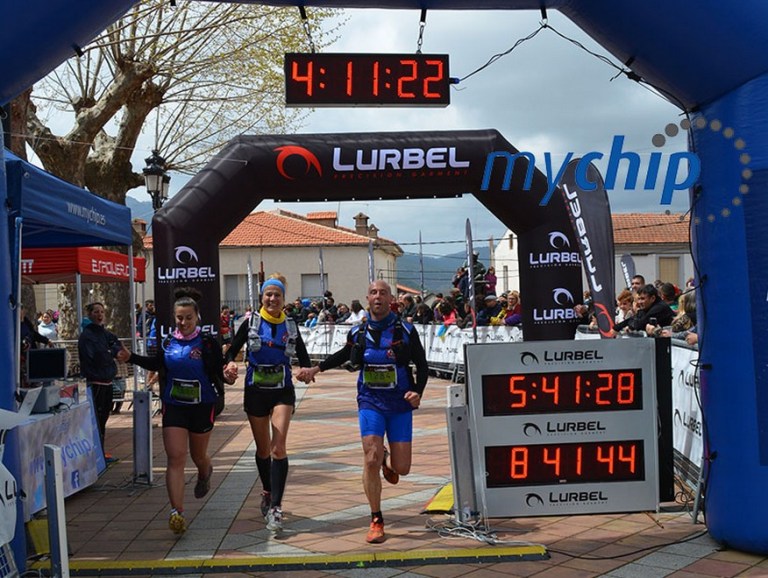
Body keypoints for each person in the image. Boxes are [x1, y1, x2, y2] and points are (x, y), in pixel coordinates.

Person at [297, 280, 428, 545]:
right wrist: (315, 369)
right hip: (370, 401)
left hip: (400, 403)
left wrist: (418, 392)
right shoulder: (358, 331)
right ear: (367, 298)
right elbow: (343, 354)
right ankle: (376, 518)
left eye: (383, 293)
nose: (378, 296)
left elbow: (422, 364)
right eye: (373, 293)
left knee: (402, 468)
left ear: (390, 299)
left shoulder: (405, 330)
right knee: (370, 458)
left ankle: (387, 460)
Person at [117, 288, 233, 535]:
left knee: (198, 456)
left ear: (197, 317)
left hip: (202, 406)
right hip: (174, 405)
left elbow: (219, 369)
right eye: (179, 318)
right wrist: (130, 358)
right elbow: (156, 364)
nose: (184, 322)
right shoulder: (168, 341)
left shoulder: (207, 342)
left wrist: (228, 375)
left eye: (188, 317)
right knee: (176, 458)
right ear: (174, 317)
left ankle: (205, 472)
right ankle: (176, 513)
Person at [223, 274, 312, 534]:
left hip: (282, 391)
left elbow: (304, 358)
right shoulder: (251, 322)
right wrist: (230, 363)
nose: (272, 299)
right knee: (263, 449)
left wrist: (306, 371)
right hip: (256, 391)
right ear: (262, 297)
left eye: (277, 295)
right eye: (268, 294)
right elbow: (232, 350)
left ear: (284, 299)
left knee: (278, 447)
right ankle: (267, 489)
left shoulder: (291, 326)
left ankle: (276, 507)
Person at [78, 303, 122, 460]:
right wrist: (109, 353)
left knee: (103, 419)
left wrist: (113, 351)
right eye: (96, 312)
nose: (100, 315)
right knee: (96, 419)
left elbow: (116, 344)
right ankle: (96, 454)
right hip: (96, 382)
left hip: (107, 381)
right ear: (90, 314)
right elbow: (97, 357)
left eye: (102, 312)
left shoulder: (104, 333)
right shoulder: (87, 336)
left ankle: (100, 452)